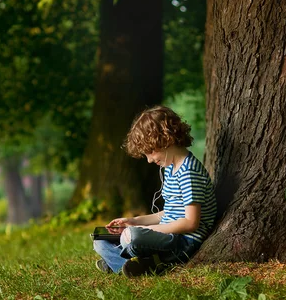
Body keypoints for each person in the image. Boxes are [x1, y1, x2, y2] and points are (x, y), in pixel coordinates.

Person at [93, 106, 217, 277]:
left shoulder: (189, 172)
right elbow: (166, 214)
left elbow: (190, 222)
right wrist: (134, 221)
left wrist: (147, 229)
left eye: (151, 152)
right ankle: (139, 265)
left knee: (132, 237)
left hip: (182, 241)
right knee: (100, 242)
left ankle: (128, 263)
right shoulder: (172, 168)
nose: (150, 160)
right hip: (167, 235)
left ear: (166, 140)